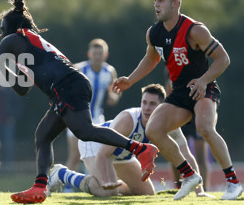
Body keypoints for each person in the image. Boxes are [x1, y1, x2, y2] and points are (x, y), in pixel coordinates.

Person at [0, 0, 159, 204]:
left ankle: (141, 149)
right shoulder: (25, 47)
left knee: (85, 131)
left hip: (67, 85)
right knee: (44, 135)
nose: (1, 35)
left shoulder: (14, 38)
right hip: (68, 86)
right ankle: (40, 187)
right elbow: (21, 88)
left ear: (11, 28)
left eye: (2, 30)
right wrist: (2, 63)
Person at [112, 0, 242, 200]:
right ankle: (190, 176)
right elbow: (151, 59)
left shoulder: (195, 30)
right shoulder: (154, 33)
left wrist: (202, 81)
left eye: (161, 0)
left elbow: (223, 59)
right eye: (155, 0)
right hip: (180, 92)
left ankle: (233, 183)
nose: (156, 4)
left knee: (205, 128)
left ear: (176, 4)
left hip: (203, 87)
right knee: (154, 130)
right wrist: (131, 80)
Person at [49, 84, 213, 197]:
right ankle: (62, 174)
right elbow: (103, 154)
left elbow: (187, 156)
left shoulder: (170, 125)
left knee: (147, 193)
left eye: (152, 104)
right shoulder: (129, 119)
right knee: (107, 192)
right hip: (95, 145)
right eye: (144, 103)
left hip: (121, 154)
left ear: (163, 106)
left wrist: (200, 191)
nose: (147, 108)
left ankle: (106, 185)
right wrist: (106, 181)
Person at [65, 38, 120, 173]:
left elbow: (114, 92)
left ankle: (94, 183)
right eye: (94, 54)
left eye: (100, 54)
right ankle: (67, 188)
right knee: (75, 156)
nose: (97, 57)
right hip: (76, 117)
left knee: (95, 154)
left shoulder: (109, 71)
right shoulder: (79, 68)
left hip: (96, 119)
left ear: (105, 55)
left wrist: (114, 97)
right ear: (89, 54)